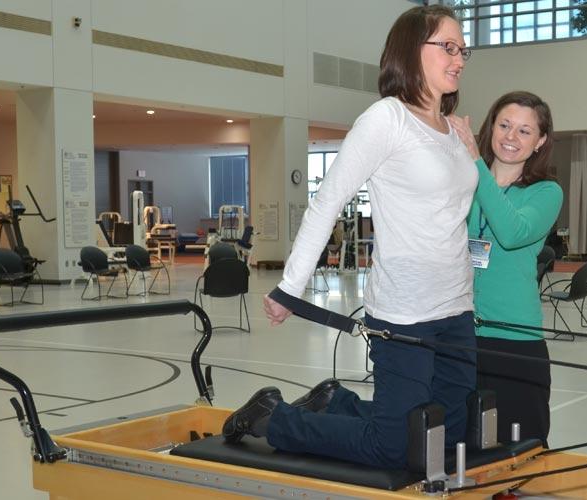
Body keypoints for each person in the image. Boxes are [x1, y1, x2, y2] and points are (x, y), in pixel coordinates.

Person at [223, 5, 478, 469]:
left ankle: (335, 402)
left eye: (463, 49)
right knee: (397, 447)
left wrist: (472, 149)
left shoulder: (453, 132)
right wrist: (290, 287)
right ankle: (273, 419)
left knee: (449, 436)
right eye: (448, 46)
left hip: (457, 307)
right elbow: (328, 201)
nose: (458, 58)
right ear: (410, 50)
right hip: (404, 313)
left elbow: (457, 214)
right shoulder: (386, 119)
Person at [448, 91, 563, 446]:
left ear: (540, 141)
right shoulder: (462, 183)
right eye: (505, 125)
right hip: (458, 333)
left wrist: (475, 164)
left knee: (521, 446)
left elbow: (513, 233)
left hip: (515, 341)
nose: (511, 137)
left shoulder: (546, 192)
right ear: (490, 127)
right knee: (461, 446)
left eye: (525, 131)